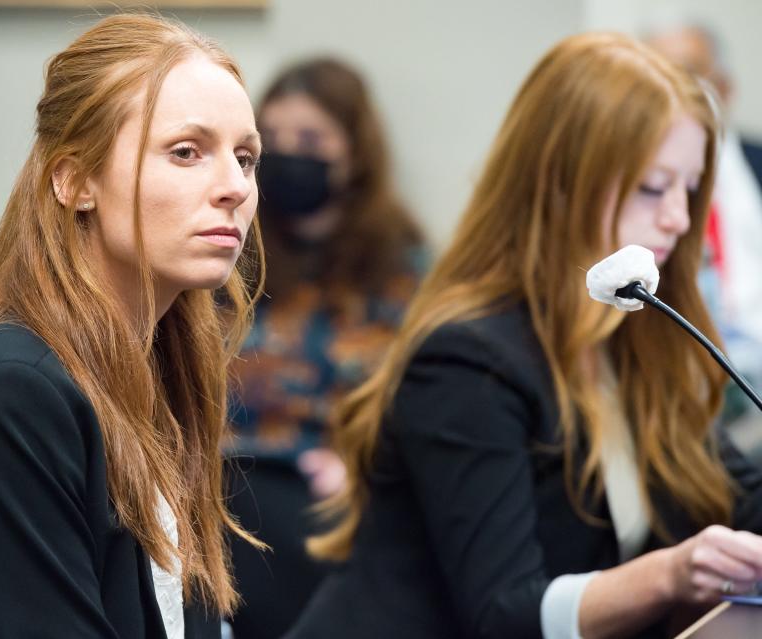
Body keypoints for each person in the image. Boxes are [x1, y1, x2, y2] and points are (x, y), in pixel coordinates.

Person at [287, 33, 762, 639]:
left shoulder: (633, 335)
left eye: (688, 188)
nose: (679, 217)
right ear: (559, 184)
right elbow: (504, 613)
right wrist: (668, 575)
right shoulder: (467, 360)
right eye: (652, 187)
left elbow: (739, 499)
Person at [0, 14, 263, 639]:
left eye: (247, 158)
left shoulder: (157, 372)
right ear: (73, 181)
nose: (234, 187)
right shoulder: (9, 394)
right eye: (185, 152)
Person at [225, 58, 425, 638]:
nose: (290, 154)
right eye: (275, 140)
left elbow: (417, 404)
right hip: (221, 476)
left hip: (327, 492)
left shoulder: (400, 271)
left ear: (354, 151)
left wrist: (361, 467)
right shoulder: (233, 251)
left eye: (311, 139)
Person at [645, 22, 762, 423]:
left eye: (688, 72)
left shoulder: (754, 164)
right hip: (687, 369)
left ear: (724, 87)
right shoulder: (633, 187)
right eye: (657, 75)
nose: (674, 91)